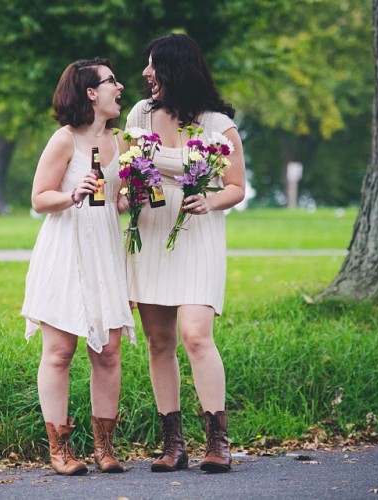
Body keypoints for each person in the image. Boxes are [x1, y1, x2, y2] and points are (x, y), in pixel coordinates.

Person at [125, 34, 246, 473]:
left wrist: (210, 201)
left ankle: (219, 439)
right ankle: (173, 444)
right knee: (160, 342)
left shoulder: (218, 124)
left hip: (198, 234)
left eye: (153, 65)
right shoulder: (140, 114)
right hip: (153, 231)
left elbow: (236, 187)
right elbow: (126, 171)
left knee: (196, 335)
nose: (145, 74)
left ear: (176, 69)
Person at [21, 58, 135, 475]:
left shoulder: (121, 143)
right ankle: (59, 450)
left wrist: (129, 200)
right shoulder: (65, 140)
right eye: (111, 82)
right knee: (60, 351)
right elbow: (38, 199)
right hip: (66, 249)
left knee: (107, 352)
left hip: (104, 250)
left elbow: (115, 203)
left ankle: (105, 448)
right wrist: (73, 195)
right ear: (91, 92)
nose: (119, 87)